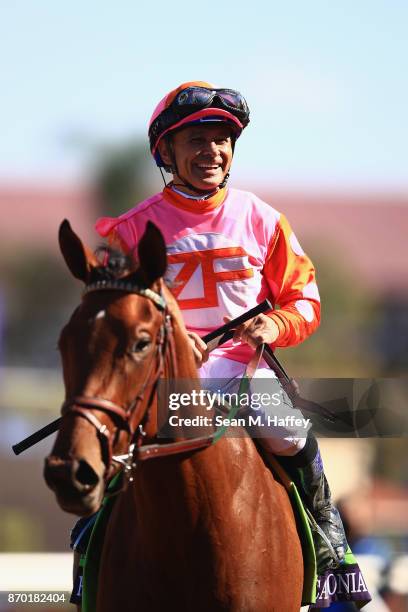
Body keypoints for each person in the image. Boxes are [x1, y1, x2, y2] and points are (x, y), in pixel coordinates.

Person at [94, 80, 348, 572]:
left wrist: (274, 325)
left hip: (246, 372)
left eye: (221, 140)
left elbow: (305, 300)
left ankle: (329, 543)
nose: (211, 151)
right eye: (195, 140)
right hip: (166, 379)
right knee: (113, 441)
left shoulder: (264, 218)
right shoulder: (128, 230)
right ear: (165, 149)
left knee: (290, 429)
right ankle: (92, 548)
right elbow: (110, 318)